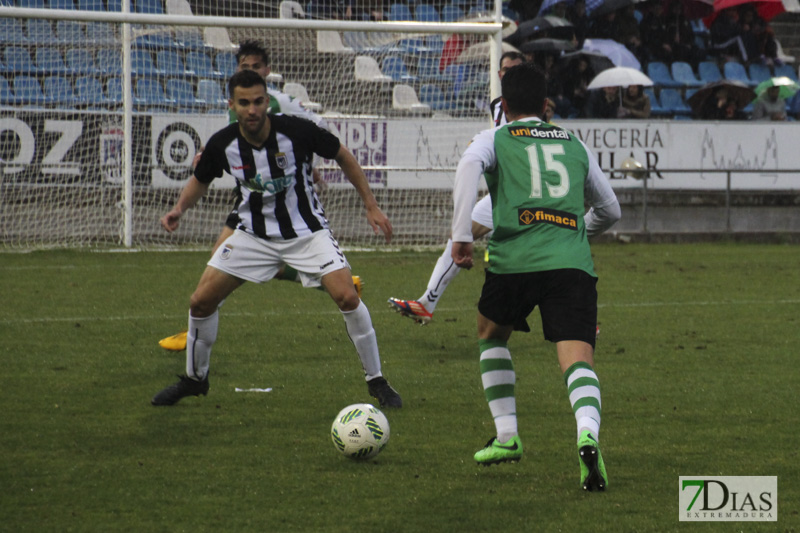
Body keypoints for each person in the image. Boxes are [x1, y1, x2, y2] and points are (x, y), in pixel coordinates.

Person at [151, 70, 402, 409]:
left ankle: (378, 381)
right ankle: (195, 380)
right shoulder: (224, 143)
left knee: (346, 295)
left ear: (266, 102)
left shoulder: (296, 132)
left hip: (306, 231)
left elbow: (343, 155)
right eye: (244, 103)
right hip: (252, 234)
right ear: (232, 105)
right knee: (200, 302)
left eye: (258, 102)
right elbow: (201, 178)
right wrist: (179, 209)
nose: (252, 110)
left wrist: (370, 206)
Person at [450, 62, 620, 490]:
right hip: (571, 263)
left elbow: (468, 167)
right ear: (547, 106)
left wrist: (460, 236)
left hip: (515, 259)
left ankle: (507, 435)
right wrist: (575, 231)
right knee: (577, 360)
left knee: (491, 332)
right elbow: (610, 210)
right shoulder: (575, 143)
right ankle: (587, 433)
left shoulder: (495, 137)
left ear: (504, 105)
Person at [158, 40, 363, 351]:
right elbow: (225, 143)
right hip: (250, 197)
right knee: (225, 259)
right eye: (245, 67)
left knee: (224, 258)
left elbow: (319, 132)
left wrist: (309, 164)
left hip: (281, 202)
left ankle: (196, 327)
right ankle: (199, 321)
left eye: (256, 67)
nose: (250, 71)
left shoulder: (280, 103)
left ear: (267, 72)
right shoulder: (239, 104)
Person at [387, 51, 524, 324]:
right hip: (506, 194)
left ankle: (578, 321)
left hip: (528, 194)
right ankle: (426, 303)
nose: (509, 74)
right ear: (499, 75)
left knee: (538, 257)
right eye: (505, 69)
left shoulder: (530, 106)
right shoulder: (500, 105)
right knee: (459, 236)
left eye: (515, 69)